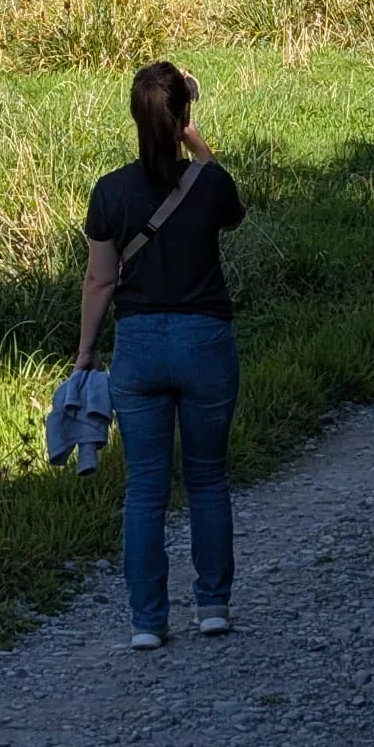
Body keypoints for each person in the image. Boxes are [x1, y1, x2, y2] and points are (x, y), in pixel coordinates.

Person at [76, 61, 245, 649]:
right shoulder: (210, 182)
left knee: (145, 489)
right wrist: (199, 146)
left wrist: (85, 355)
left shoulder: (109, 191)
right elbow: (230, 208)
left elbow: (99, 282)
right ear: (184, 118)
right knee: (206, 478)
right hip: (204, 340)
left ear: (134, 117)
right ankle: (213, 606)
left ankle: (148, 622)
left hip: (139, 346)